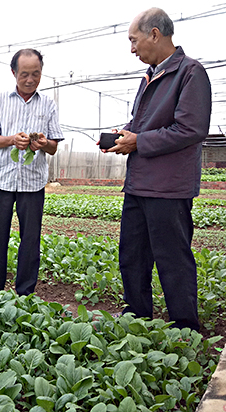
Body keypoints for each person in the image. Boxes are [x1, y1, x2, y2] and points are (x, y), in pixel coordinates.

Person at [103, 8, 211, 330]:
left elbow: (190, 129)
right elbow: (144, 125)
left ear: (154, 34)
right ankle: (137, 317)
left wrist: (139, 142)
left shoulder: (191, 73)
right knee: (132, 257)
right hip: (138, 184)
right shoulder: (149, 76)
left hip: (168, 187)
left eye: (134, 40)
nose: (132, 48)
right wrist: (124, 136)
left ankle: (185, 327)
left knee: (172, 260)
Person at [0, 48, 64, 296]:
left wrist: (42, 143)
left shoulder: (48, 104)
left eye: (36, 74)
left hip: (33, 183)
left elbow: (53, 147)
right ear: (14, 73)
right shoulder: (0, 99)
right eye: (25, 74)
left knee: (30, 240)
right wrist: (12, 140)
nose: (30, 80)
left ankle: (25, 293)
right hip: (1, 179)